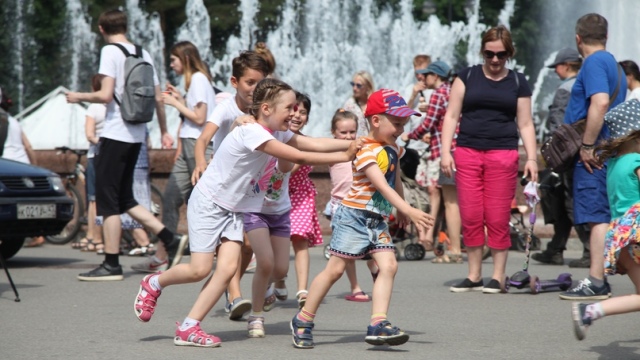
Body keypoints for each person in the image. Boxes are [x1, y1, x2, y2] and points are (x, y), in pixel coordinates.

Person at [132, 78, 359, 347]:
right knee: (199, 269)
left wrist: (361, 143)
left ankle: (189, 327)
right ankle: (154, 283)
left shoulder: (276, 131)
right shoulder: (253, 133)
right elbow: (301, 157)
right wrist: (346, 155)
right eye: (288, 108)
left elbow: (314, 144)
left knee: (227, 270)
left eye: (297, 108)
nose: (294, 113)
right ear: (266, 109)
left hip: (235, 209)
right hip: (210, 203)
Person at [290, 89, 434, 349]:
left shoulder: (393, 149)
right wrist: (409, 209)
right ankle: (303, 319)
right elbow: (381, 185)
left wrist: (402, 209)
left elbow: (395, 178)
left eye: (404, 124)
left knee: (388, 266)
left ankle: (378, 323)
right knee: (334, 271)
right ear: (376, 121)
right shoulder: (365, 149)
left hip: (376, 219)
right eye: (397, 123)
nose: (401, 129)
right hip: (353, 217)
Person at [66, 9, 178, 281]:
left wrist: (77, 95)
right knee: (125, 198)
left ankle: (111, 264)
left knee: (108, 202)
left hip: (116, 134)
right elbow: (157, 98)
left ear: (102, 29)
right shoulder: (143, 52)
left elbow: (106, 95)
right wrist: (163, 130)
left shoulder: (110, 52)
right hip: (137, 135)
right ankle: (170, 239)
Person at [441, 25, 538, 293]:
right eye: (489, 54)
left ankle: (498, 276)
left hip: (503, 154)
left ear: (509, 53)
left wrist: (531, 158)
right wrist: (446, 151)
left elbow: (526, 123)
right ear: (482, 51)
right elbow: (451, 115)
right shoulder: (467, 76)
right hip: (468, 153)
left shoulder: (518, 81)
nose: (495, 60)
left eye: (501, 55)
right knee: (471, 215)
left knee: (496, 217)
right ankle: (473, 276)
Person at [191, 51, 270, 321]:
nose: (255, 89)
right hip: (222, 187)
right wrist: (200, 163)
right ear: (235, 82)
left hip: (248, 188)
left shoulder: (264, 107)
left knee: (248, 246)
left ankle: (227, 286)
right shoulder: (226, 106)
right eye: (250, 83)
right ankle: (234, 294)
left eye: (260, 83)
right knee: (230, 245)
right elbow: (202, 139)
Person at [559, 13, 627, 301]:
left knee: (596, 216)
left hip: (594, 154)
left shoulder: (595, 63)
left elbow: (599, 103)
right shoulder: (613, 64)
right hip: (607, 150)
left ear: (578, 39)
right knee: (603, 213)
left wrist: (587, 146)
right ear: (606, 36)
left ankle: (597, 280)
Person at [134, 41, 217, 270]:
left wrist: (173, 103)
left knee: (207, 201)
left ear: (186, 59)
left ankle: (228, 250)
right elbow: (197, 115)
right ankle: (165, 253)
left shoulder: (199, 79)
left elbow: (200, 118)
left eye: (174, 60)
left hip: (198, 146)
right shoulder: (195, 81)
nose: (171, 64)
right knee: (170, 199)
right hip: (189, 145)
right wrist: (181, 100)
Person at [572, 128, 640, 340]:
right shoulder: (636, 161)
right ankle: (590, 311)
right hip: (635, 235)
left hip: (620, 237)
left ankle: (590, 311)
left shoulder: (614, 164)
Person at [533, 48, 591, 267]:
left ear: (566, 65)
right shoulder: (586, 85)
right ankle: (556, 249)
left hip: (566, 155)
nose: (555, 71)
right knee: (564, 198)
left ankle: (588, 251)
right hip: (582, 150)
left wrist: (549, 155)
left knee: (566, 201)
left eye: (557, 66)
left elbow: (557, 126)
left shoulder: (565, 89)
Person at [402, 60, 461, 263]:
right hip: (455, 149)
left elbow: (428, 124)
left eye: (427, 75)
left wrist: (409, 136)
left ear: (436, 76)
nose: (424, 78)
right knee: (450, 199)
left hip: (442, 151)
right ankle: (452, 243)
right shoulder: (452, 91)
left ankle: (454, 247)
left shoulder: (439, 93)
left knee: (448, 200)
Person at [273, 93, 323, 308]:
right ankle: (279, 277)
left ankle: (303, 290)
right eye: (293, 110)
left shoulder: (303, 141)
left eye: (303, 112)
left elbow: (292, 170)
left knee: (300, 240)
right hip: (277, 196)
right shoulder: (273, 138)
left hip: (300, 196)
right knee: (279, 243)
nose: (297, 115)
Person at [327, 109, 379, 302]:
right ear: (334, 132)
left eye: (352, 132)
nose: (349, 136)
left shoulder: (362, 148)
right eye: (343, 132)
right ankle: (355, 287)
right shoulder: (332, 149)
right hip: (340, 205)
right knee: (346, 250)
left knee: (371, 240)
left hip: (362, 203)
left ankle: (373, 266)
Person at [0, 86, 44, 247]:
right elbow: (28, 146)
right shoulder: (13, 121)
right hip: (23, 164)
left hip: (6, 165)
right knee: (28, 202)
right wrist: (35, 168)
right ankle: (38, 234)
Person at [76, 74, 106, 252]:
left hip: (96, 156)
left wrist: (102, 144)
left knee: (93, 199)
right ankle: (99, 238)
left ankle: (94, 237)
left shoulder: (94, 107)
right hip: (111, 157)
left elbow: (89, 134)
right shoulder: (113, 106)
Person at [343, 70, 375, 137]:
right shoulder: (350, 105)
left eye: (358, 85)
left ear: (368, 87)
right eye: (353, 84)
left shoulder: (375, 103)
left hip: (374, 144)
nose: (354, 88)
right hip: (358, 144)